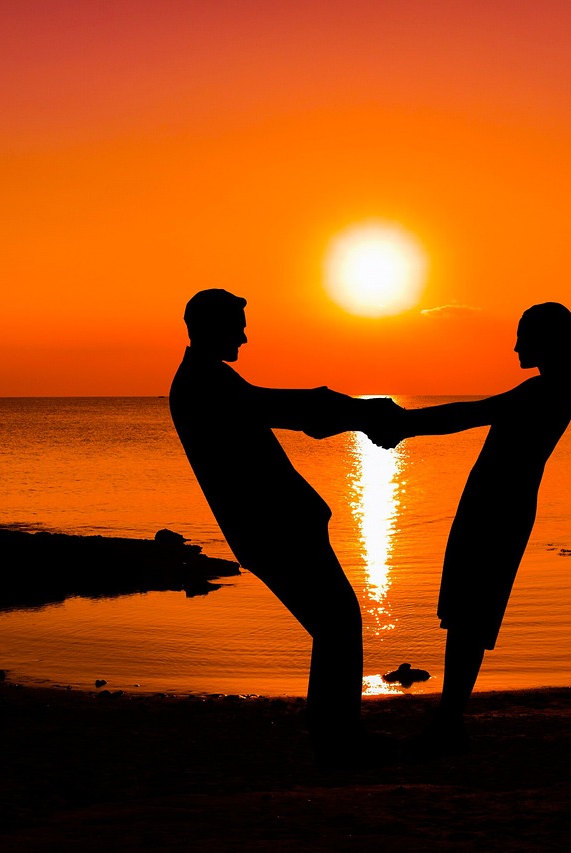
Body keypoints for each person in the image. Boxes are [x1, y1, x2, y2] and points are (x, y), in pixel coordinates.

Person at [168, 288, 400, 769]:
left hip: (279, 526)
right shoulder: (203, 383)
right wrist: (363, 412)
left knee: (335, 624)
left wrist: (352, 413)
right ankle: (338, 739)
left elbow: (292, 412)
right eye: (238, 325)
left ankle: (334, 734)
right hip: (272, 529)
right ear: (211, 327)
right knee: (338, 622)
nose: (245, 336)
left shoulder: (208, 379)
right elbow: (292, 411)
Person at [384, 302, 571, 755]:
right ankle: (449, 721)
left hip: (497, 506)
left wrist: (402, 424)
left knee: (469, 615)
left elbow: (467, 415)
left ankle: (449, 724)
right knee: (465, 615)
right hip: (498, 503)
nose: (515, 346)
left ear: (546, 341)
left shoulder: (546, 391)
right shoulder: (560, 387)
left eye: (523, 336)